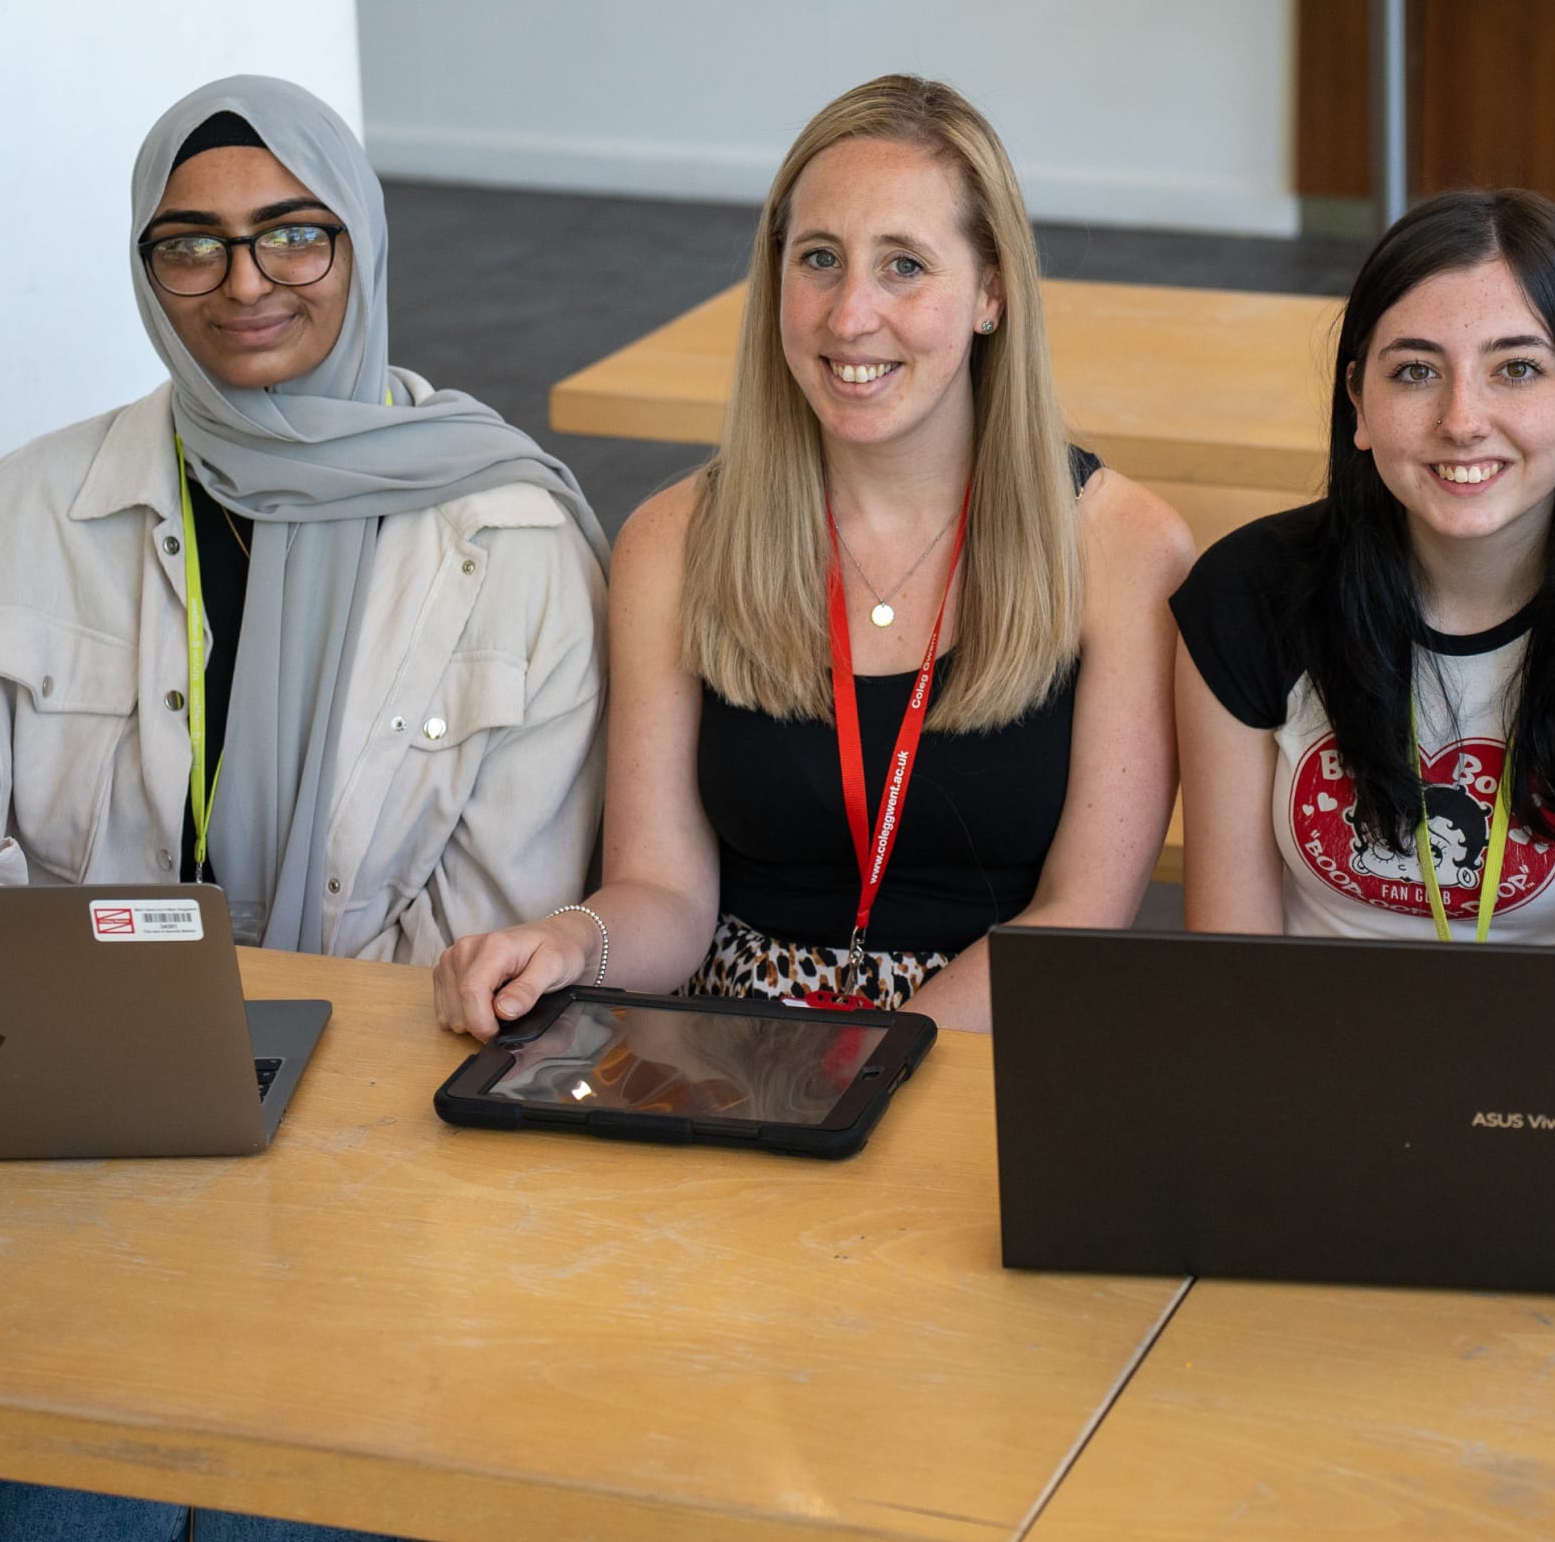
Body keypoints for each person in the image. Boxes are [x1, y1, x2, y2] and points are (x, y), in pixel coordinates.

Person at [0, 75, 610, 1542]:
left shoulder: (509, 542)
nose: (244, 285)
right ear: (145, 265)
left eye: (294, 235)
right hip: (72, 1147)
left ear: (358, 244)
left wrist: (220, 1049)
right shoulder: (25, 513)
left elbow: (502, 926)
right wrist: (80, 998)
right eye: (192, 243)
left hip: (363, 1178)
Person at [433, 75, 1189, 1041]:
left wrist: (868, 1063)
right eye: (819, 259)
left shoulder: (1126, 550)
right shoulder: (675, 541)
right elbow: (663, 888)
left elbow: (1077, 919)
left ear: (992, 292)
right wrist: (574, 943)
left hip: (989, 1043)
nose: (848, 316)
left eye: (905, 266)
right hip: (737, 1051)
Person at [1169, 191, 1555, 1076]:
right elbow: (1232, 970)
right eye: (1415, 371)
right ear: (1356, 401)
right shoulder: (1249, 596)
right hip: (1299, 1087)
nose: (1462, 419)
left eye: (1516, 369)